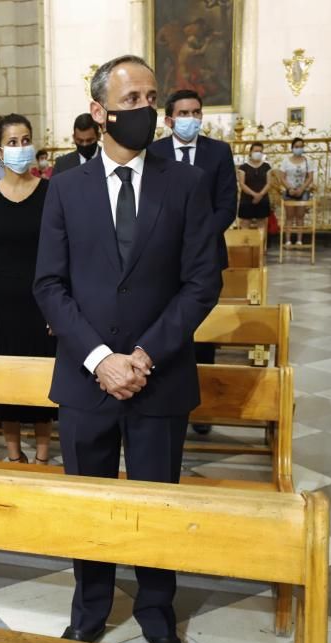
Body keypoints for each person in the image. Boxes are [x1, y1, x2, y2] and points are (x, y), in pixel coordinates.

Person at [33, 55, 221, 643]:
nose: (147, 110)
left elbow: (202, 282)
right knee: (87, 502)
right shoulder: (63, 189)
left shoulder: (184, 183)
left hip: (158, 378)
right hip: (87, 381)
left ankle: (156, 610)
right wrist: (98, 359)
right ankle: (89, 608)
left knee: (155, 502)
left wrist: (143, 354)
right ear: (100, 112)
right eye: (132, 99)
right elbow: (49, 286)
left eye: (150, 97)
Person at [0, 114, 56, 465]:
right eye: (13, 142)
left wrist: (58, 305)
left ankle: (43, 455)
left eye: (26, 140)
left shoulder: (51, 191)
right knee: (6, 377)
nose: (22, 148)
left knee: (42, 375)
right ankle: (13, 453)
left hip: (41, 298)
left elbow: (61, 250)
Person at [149, 89, 236, 436]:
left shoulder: (218, 152)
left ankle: (201, 410)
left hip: (204, 257)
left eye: (196, 112)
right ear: (169, 120)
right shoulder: (153, 152)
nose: (191, 118)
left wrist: (196, 237)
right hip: (161, 258)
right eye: (183, 113)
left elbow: (227, 205)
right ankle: (160, 399)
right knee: (163, 324)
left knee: (200, 332)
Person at [277, 138, 315, 246]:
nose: (299, 148)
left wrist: (302, 189)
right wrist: (290, 189)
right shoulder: (286, 161)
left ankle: (299, 240)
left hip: (303, 191)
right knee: (289, 216)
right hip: (289, 192)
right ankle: (288, 240)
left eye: (301, 146)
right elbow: (282, 177)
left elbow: (310, 177)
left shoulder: (308, 160)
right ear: (292, 148)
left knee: (300, 216)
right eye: (296, 147)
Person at [237, 142, 272, 228]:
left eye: (260, 151)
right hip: (247, 199)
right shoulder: (243, 167)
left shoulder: (266, 166)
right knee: (245, 222)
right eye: (256, 151)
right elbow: (242, 184)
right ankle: (245, 242)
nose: (258, 153)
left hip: (263, 198)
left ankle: (261, 241)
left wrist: (260, 195)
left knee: (262, 223)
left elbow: (269, 183)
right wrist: (254, 195)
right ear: (250, 152)